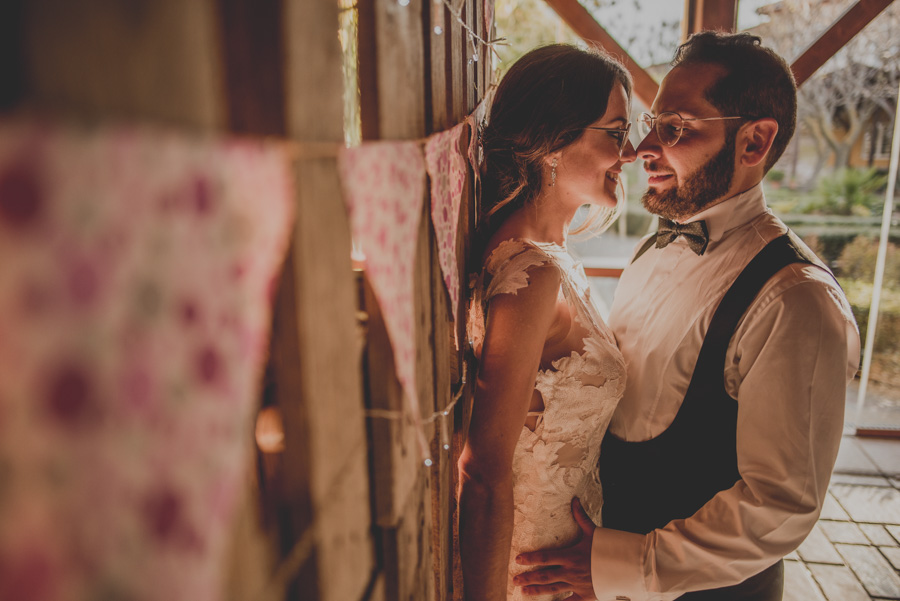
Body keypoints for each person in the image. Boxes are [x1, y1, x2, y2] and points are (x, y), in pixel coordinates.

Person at [513, 32, 860, 601]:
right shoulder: (651, 251)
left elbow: (780, 505)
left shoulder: (794, 299)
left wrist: (619, 565)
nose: (643, 148)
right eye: (652, 124)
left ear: (755, 141)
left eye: (675, 127)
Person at [459, 44, 637, 601]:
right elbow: (483, 470)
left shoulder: (549, 253)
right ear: (552, 142)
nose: (629, 152)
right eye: (614, 132)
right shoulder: (532, 273)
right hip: (527, 581)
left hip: (567, 574)